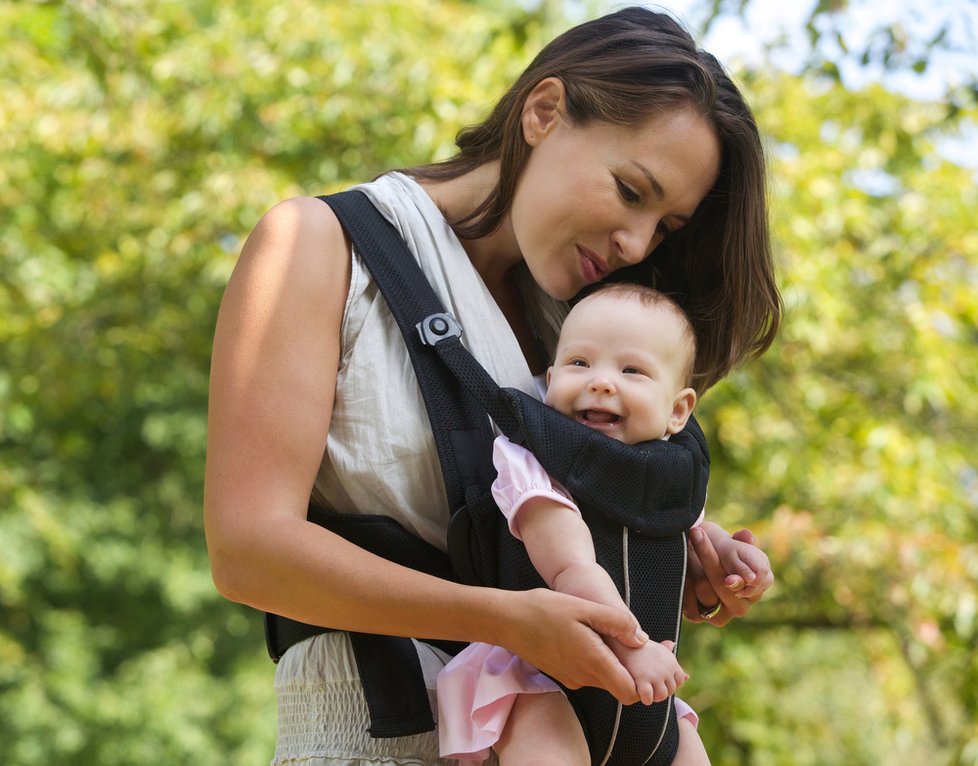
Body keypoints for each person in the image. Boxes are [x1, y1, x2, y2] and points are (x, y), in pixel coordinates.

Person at [204, 6, 781, 765]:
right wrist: (508, 620)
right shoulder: (319, 247)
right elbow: (249, 550)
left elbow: (539, 528)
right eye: (631, 192)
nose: (636, 243)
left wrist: (669, 553)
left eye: (666, 228)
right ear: (544, 112)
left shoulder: (583, 330)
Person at [437, 284, 768, 766]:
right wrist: (632, 646)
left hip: (648, 696)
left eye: (631, 370)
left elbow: (694, 532)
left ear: (677, 411)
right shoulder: (534, 461)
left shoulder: (664, 476)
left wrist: (726, 551)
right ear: (549, 380)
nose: (601, 382)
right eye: (579, 364)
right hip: (541, 679)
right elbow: (570, 570)